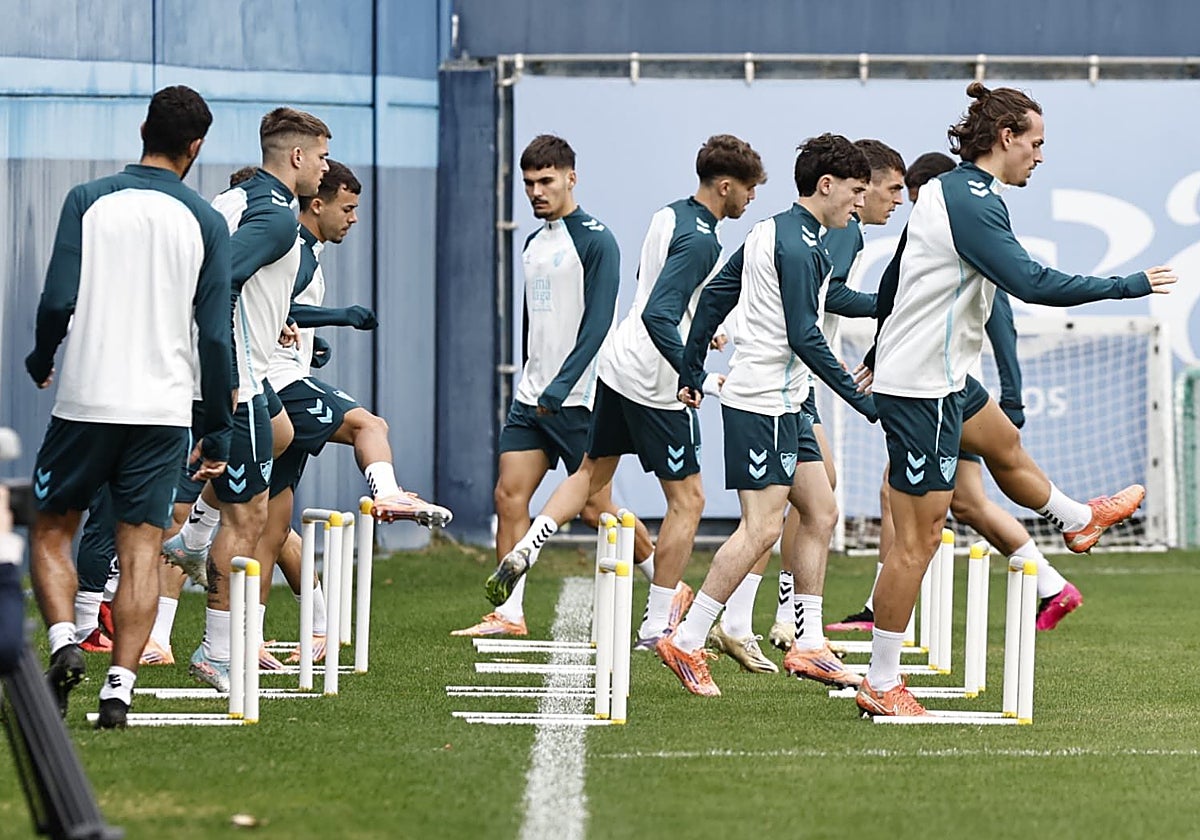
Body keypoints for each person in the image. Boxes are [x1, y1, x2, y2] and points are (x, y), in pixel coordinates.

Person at [856, 83, 1175, 718]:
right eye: (1036, 143)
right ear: (1006, 139)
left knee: (1003, 443)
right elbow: (1029, 282)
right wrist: (1125, 284)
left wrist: (874, 349)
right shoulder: (972, 201)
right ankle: (881, 680)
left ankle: (1077, 520)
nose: (1040, 155)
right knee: (917, 543)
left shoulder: (950, 189)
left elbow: (895, 272)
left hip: (941, 377)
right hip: (921, 388)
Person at [473, 135, 767, 646]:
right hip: (653, 379)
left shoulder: (667, 215)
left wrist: (699, 323)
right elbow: (660, 312)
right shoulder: (705, 241)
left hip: (614, 365)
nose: (751, 200)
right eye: (748, 190)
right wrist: (690, 372)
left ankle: (531, 545)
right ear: (726, 187)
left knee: (590, 477)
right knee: (688, 501)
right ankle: (659, 621)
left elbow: (653, 292)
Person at [23, 85, 233, 727]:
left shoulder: (88, 201)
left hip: (88, 401)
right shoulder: (206, 220)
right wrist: (217, 429)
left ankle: (64, 641)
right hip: (164, 409)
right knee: (141, 549)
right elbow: (216, 336)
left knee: (51, 530)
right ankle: (119, 687)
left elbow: (58, 299)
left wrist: (42, 356)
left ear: (143, 130)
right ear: (196, 146)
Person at [827, 151, 1083, 636]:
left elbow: (1001, 314)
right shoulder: (942, 226)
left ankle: (879, 620)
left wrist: (1013, 394)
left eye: (913, 197)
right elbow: (897, 289)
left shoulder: (966, 224)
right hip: (939, 383)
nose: (909, 210)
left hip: (945, 388)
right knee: (964, 503)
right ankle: (1055, 571)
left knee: (917, 508)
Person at [661, 133, 877, 696]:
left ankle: (807, 645)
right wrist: (864, 402)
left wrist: (690, 369)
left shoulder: (771, 230)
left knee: (822, 509)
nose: (860, 203)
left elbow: (714, 298)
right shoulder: (803, 246)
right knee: (761, 530)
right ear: (825, 186)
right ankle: (686, 640)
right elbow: (806, 335)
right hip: (763, 404)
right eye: (855, 192)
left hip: (787, 405)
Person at [452, 134, 657, 638]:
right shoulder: (531, 244)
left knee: (595, 511)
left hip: (584, 400)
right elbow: (533, 324)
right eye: (528, 184)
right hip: (532, 400)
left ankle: (664, 585)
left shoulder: (597, 241)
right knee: (508, 496)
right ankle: (509, 613)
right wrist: (534, 379)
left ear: (571, 177)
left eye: (546, 181)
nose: (537, 191)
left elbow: (598, 323)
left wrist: (562, 382)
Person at [256, 158, 452, 659]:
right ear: (316, 204)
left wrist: (311, 345)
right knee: (370, 423)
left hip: (283, 376)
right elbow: (278, 309)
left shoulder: (307, 250)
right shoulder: (295, 247)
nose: (354, 218)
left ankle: (265, 635)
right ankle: (387, 494)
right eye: (348, 207)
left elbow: (280, 317)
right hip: (276, 387)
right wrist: (340, 317)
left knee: (274, 526)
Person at [177, 107, 330, 692]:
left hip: (247, 374)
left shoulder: (232, 198)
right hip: (234, 379)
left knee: (285, 433)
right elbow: (218, 285)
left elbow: (240, 285)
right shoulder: (275, 218)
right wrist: (229, 369)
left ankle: (191, 535)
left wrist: (278, 322)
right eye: (319, 157)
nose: (322, 168)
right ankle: (216, 651)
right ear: (296, 157)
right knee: (249, 518)